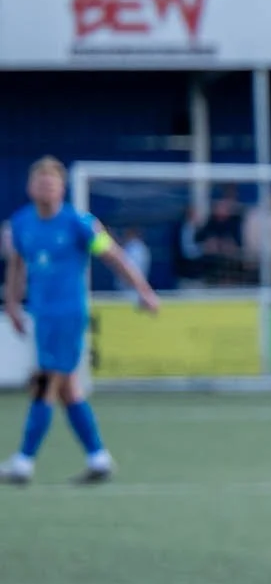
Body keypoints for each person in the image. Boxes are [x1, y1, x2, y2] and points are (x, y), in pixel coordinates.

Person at [2, 157, 160, 485]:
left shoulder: (80, 223)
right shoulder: (20, 224)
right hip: (41, 316)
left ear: (62, 188)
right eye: (40, 182)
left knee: (45, 382)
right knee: (69, 390)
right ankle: (99, 458)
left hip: (69, 314)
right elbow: (17, 266)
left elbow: (114, 255)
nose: (46, 188)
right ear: (30, 187)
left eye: (52, 182)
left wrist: (143, 290)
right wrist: (13, 304)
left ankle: (24, 461)